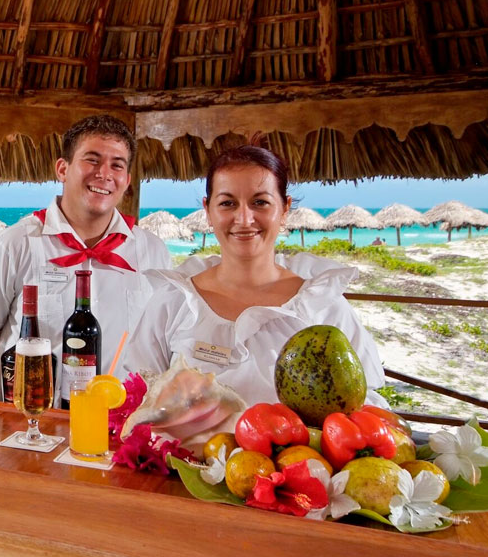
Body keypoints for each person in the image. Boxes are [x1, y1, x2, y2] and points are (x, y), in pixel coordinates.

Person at [120, 145, 387, 408]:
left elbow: (364, 405)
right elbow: (139, 398)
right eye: (227, 203)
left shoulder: (322, 304)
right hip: (180, 454)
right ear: (208, 210)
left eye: (260, 202)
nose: (245, 219)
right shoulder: (174, 299)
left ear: (284, 209)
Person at [0, 113, 172, 381]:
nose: (104, 174)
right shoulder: (12, 246)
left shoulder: (153, 252)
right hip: (35, 417)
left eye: (117, 165)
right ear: (62, 169)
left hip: (123, 417)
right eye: (92, 160)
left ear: (127, 181)